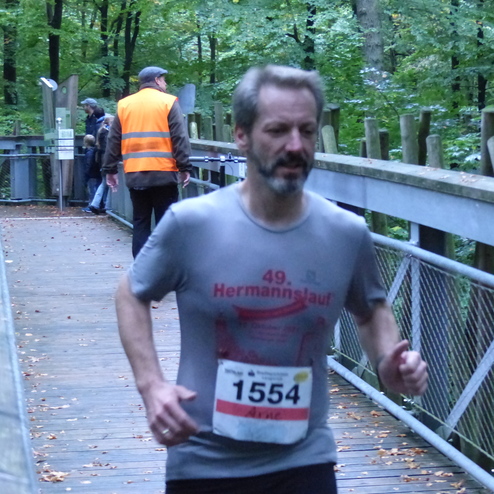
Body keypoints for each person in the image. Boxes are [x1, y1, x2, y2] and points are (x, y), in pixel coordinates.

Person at [114, 65, 429, 494]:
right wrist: (151, 385)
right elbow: (130, 293)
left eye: (307, 131)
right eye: (278, 130)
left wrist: (389, 361)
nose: (295, 145)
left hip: (304, 461)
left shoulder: (345, 233)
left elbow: (371, 308)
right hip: (203, 462)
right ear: (242, 136)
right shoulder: (192, 224)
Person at [102, 66, 192, 257]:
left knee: (140, 222)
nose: (166, 84)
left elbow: (113, 139)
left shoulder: (125, 104)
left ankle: (141, 268)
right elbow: (179, 137)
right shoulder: (168, 102)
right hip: (164, 173)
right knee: (166, 224)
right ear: (157, 80)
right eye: (164, 80)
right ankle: (164, 268)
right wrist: (184, 166)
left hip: (135, 173)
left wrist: (110, 169)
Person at [88, 114, 115, 215]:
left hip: (102, 162)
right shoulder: (108, 133)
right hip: (108, 161)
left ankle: (96, 203)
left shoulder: (101, 132)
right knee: (110, 183)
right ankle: (108, 206)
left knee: (104, 183)